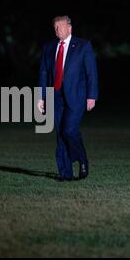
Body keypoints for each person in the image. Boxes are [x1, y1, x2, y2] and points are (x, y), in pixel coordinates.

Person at [38, 15, 98, 181]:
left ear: (69, 28)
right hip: (55, 96)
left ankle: (82, 159)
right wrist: (41, 97)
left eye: (61, 26)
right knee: (60, 135)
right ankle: (65, 174)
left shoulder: (83, 46)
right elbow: (44, 73)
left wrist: (92, 95)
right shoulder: (48, 48)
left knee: (69, 130)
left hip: (76, 96)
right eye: (55, 27)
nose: (58, 29)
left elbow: (91, 72)